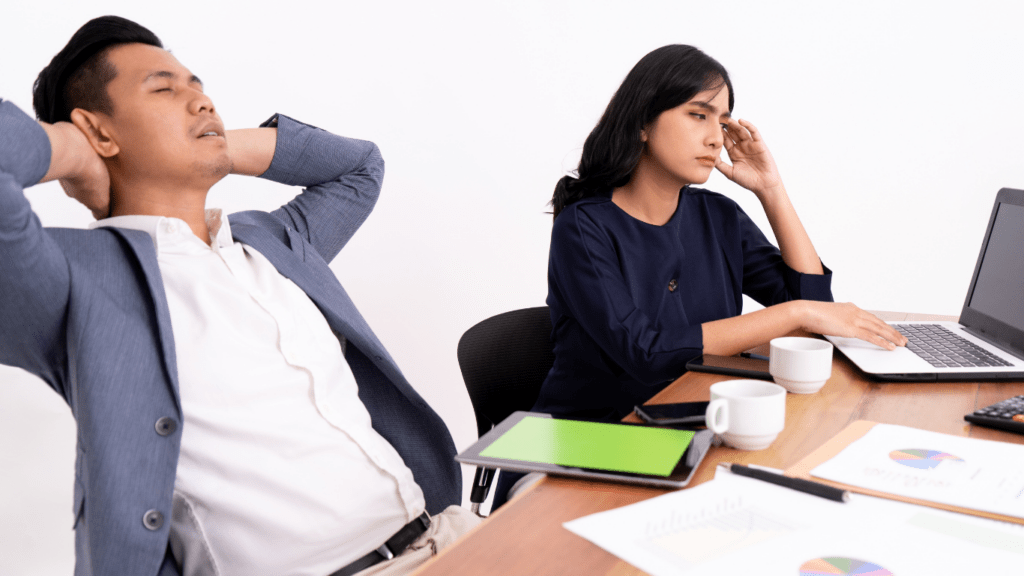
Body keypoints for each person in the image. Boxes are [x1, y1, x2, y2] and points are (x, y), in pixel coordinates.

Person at [0, 16, 476, 576]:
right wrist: (74, 153)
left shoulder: (272, 240)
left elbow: (359, 168)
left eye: (197, 83)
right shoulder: (74, 281)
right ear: (100, 131)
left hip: (446, 535)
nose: (201, 99)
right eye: (164, 87)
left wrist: (221, 146)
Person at [491, 44, 908, 509]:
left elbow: (814, 307)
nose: (716, 137)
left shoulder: (718, 216)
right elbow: (645, 353)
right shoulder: (584, 227)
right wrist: (798, 311)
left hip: (681, 435)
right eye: (698, 115)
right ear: (643, 123)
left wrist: (772, 190)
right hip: (580, 443)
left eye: (723, 120)